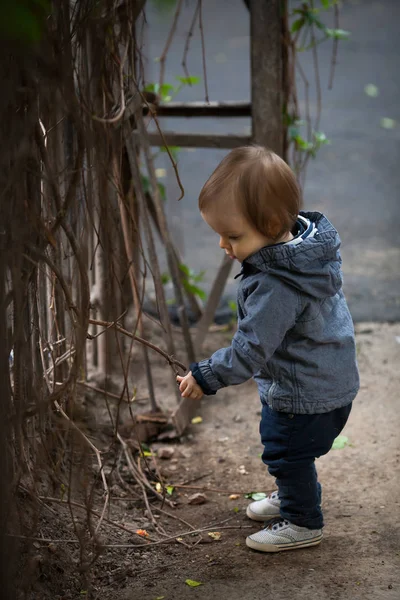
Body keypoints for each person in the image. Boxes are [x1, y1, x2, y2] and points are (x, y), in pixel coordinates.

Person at [177, 145, 359, 553]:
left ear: (274, 222)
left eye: (234, 236)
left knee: (285, 452)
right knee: (290, 453)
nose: (224, 245)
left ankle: (302, 520)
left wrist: (205, 376)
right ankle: (292, 493)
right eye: (220, 235)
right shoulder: (307, 253)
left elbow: (249, 351)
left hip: (304, 396)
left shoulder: (278, 285)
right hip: (328, 382)